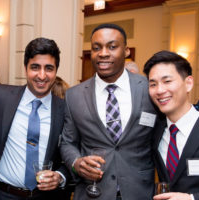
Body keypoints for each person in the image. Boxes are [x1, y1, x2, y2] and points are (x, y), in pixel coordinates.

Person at [60, 23, 157, 200]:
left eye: (112, 47)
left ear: (126, 51)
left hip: (139, 192)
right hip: (93, 192)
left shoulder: (148, 89)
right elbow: (68, 142)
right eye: (96, 48)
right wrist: (76, 162)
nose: (103, 53)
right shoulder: (74, 95)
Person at [0, 37, 70, 200]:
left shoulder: (66, 110)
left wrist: (60, 176)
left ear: (56, 70)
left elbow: (73, 153)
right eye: (35, 67)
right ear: (25, 68)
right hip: (3, 194)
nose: (42, 75)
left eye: (49, 68)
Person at [143, 50, 199, 200]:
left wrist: (192, 198)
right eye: (153, 84)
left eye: (167, 81)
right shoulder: (155, 133)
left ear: (188, 83)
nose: (160, 90)